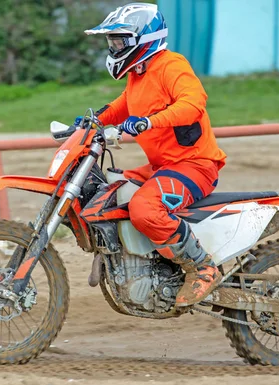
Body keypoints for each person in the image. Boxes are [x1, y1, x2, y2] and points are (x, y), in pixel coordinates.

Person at [81, 3, 227, 306]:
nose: (114, 48)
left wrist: (149, 121)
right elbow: (123, 104)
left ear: (142, 39)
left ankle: (202, 268)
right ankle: (132, 258)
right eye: (113, 43)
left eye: (119, 41)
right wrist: (91, 121)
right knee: (109, 191)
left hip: (195, 166)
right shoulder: (138, 73)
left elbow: (193, 103)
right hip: (163, 166)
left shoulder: (171, 65)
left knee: (146, 210)